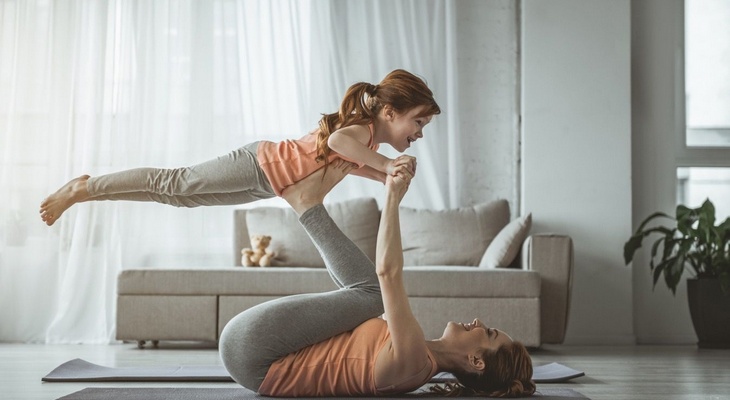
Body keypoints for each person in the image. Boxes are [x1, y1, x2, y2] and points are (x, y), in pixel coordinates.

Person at [218, 160, 536, 397]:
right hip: (252, 352)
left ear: (476, 361)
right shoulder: (417, 358)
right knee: (369, 297)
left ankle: (306, 205)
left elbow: (387, 273)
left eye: (489, 332)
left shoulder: (413, 363)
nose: (479, 321)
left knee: (373, 295)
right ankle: (307, 204)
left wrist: (393, 197)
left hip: (253, 351)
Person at [39, 69, 441, 226]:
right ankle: (84, 188)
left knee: (180, 199)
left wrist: (383, 178)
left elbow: (351, 163)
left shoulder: (366, 140)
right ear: (389, 112)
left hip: (267, 184)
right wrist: (389, 165)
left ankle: (92, 193)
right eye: (418, 121)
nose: (420, 132)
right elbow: (337, 142)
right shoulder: (359, 130)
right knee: (175, 181)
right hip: (259, 164)